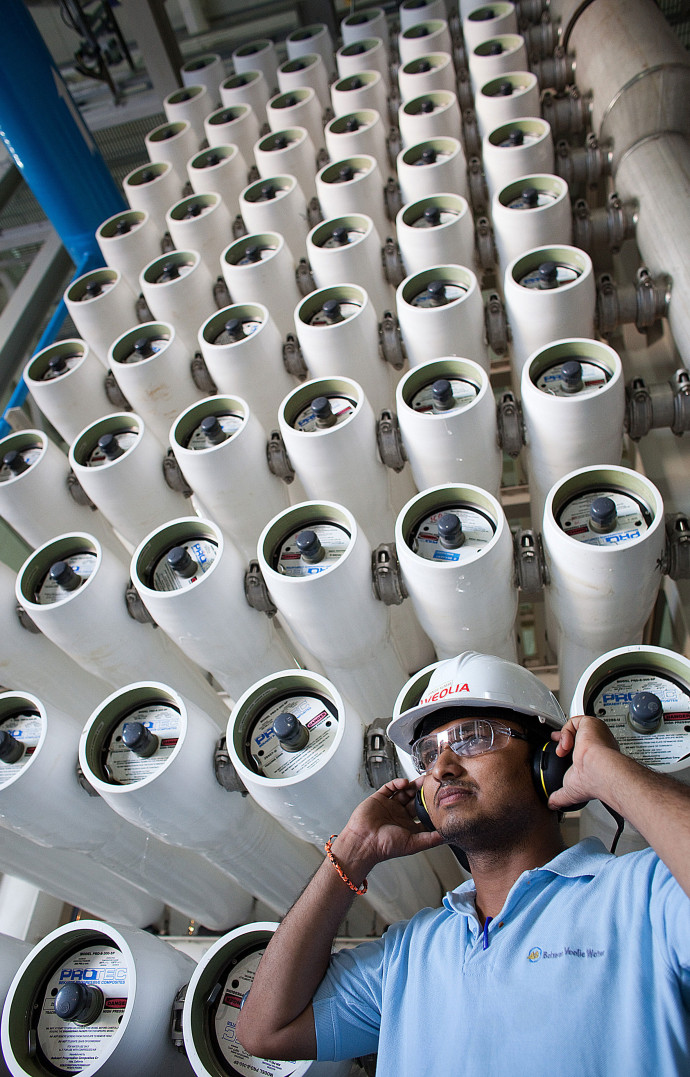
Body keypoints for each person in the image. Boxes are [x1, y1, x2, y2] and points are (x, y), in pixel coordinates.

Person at [236, 651, 690, 1076]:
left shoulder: (643, 896)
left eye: (472, 738)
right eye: (428, 755)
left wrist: (607, 770)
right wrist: (352, 852)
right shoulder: (409, 953)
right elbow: (264, 1031)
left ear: (547, 760)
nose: (441, 768)